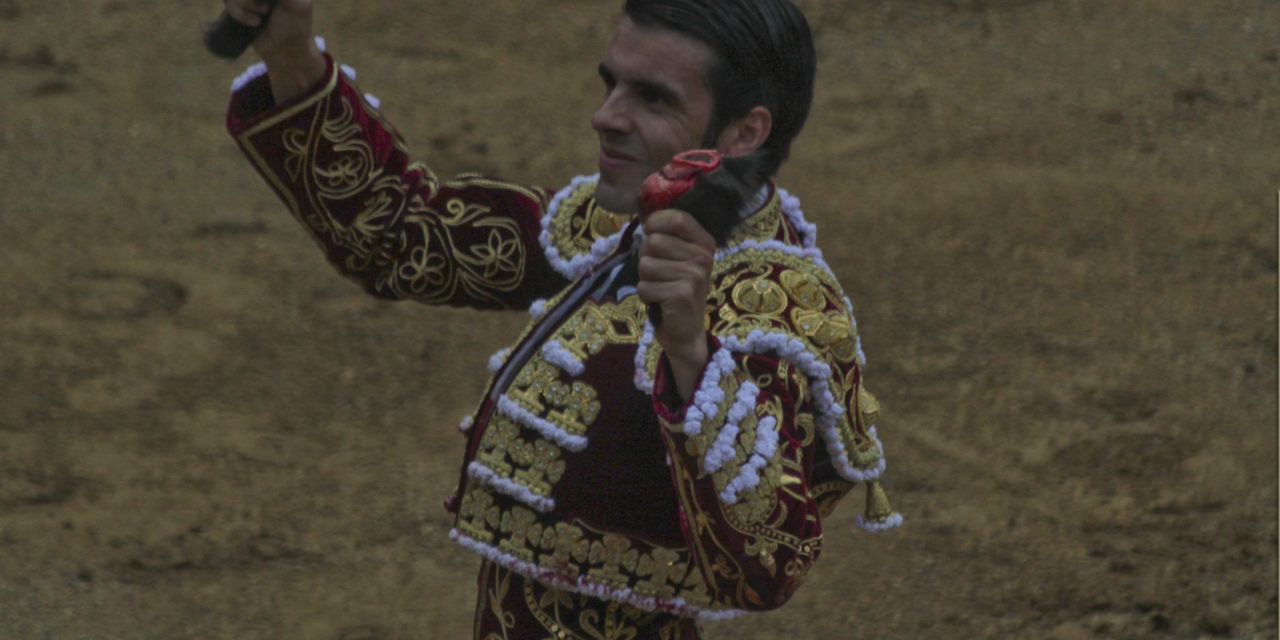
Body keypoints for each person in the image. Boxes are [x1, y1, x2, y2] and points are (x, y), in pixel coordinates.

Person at [218, 0, 900, 637]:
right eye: (612, 84)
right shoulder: (612, 228)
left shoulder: (782, 312)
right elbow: (402, 235)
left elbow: (768, 566)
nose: (606, 116)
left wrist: (691, 350)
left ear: (745, 132)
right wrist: (291, 55)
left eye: (652, 98)